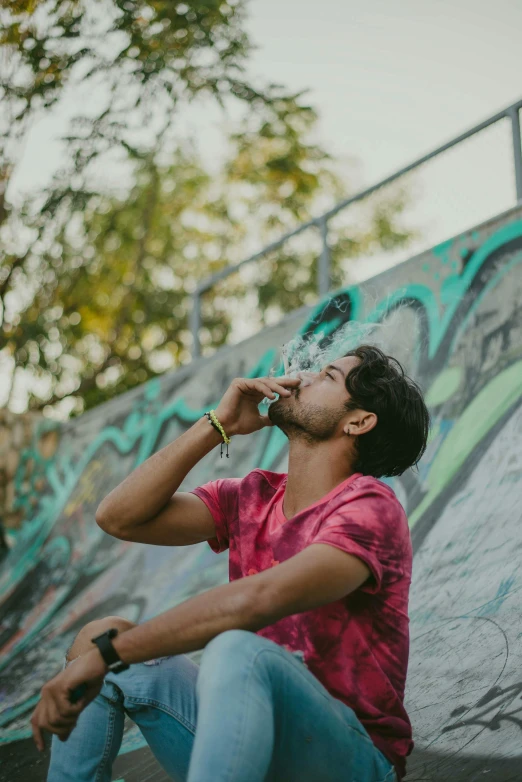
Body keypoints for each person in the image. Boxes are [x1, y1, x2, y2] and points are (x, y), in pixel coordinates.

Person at [31, 344, 430, 782]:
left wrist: (113, 653)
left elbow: (260, 598)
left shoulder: (371, 507)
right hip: (249, 743)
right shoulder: (249, 497)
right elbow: (117, 517)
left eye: (327, 376)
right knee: (97, 637)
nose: (303, 376)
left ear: (358, 421)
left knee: (238, 649)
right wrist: (216, 425)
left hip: (348, 760)